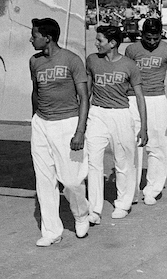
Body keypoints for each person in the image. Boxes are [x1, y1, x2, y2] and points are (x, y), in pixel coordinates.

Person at [28, 17, 91, 247]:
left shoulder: (72, 60)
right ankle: (52, 231)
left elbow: (84, 97)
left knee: (72, 180)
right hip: (41, 124)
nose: (31, 39)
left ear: (48, 38)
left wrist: (80, 131)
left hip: (67, 124)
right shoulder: (34, 61)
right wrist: (35, 120)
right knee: (44, 179)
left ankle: (81, 215)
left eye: (34, 35)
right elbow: (35, 92)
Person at [86, 25, 147, 222]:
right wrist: (82, 120)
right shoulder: (92, 60)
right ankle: (94, 209)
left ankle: (123, 203)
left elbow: (139, 97)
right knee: (93, 161)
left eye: (100, 40)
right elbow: (87, 92)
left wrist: (143, 127)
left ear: (112, 43)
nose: (96, 43)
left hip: (121, 115)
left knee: (123, 162)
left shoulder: (130, 65)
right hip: (97, 114)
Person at [125, 17, 167, 205]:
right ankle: (131, 190)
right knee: (134, 143)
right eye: (148, 38)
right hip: (134, 98)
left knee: (158, 145)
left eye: (155, 38)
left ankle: (153, 189)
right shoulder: (131, 49)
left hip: (157, 98)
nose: (151, 42)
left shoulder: (166, 49)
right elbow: (125, 74)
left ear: (161, 34)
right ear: (142, 34)